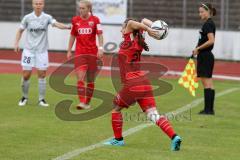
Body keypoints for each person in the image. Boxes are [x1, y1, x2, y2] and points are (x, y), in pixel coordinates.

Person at [103, 18, 182, 151]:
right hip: (144, 82)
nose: (121, 29)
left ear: (128, 28)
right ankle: (174, 137)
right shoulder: (138, 39)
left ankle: (118, 140)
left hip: (132, 83)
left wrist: (150, 29)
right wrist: (153, 28)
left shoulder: (130, 35)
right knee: (153, 114)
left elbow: (133, 23)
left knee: (116, 108)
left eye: (122, 27)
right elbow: (143, 20)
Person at [14, 0, 71, 107]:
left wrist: (68, 27)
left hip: (42, 51)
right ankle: (24, 97)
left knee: (42, 75)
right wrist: (16, 43)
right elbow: (20, 30)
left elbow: (56, 24)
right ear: (33, 5)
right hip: (28, 51)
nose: (38, 6)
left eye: (40, 4)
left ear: (43, 5)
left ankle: (41, 100)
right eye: (36, 4)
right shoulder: (27, 18)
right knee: (26, 75)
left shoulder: (47, 17)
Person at [67, 0, 104, 110]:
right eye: (80, 8)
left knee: (90, 80)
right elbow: (73, 35)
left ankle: (87, 102)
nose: (81, 10)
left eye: (83, 8)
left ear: (89, 9)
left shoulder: (95, 20)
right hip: (80, 54)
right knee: (80, 78)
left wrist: (101, 48)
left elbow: (100, 35)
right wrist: (69, 50)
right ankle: (82, 102)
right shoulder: (75, 20)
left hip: (92, 54)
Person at [192, 3, 216, 115]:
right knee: (210, 84)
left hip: (205, 56)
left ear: (208, 11)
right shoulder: (209, 23)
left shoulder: (208, 24)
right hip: (207, 55)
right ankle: (209, 109)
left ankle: (208, 110)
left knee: (206, 84)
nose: (200, 14)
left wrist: (198, 48)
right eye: (199, 11)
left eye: (202, 11)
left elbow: (211, 40)